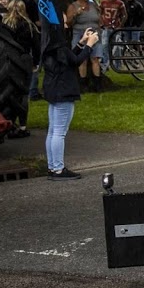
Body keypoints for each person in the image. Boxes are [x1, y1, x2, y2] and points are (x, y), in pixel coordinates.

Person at [42, 24, 100, 179]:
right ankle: (59, 169)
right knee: (59, 132)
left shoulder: (50, 45)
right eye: (64, 22)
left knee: (53, 130)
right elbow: (75, 62)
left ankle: (52, 167)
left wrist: (81, 43)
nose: (66, 25)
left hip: (53, 89)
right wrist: (89, 45)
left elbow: (69, 60)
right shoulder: (59, 45)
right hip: (64, 90)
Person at [1, 0, 40, 138]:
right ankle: (22, 125)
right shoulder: (29, 26)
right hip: (24, 60)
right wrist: (35, 63)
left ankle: (8, 121)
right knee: (23, 93)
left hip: (7, 60)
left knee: (7, 92)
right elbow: (36, 46)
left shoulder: (4, 26)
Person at [65, 0, 103, 91]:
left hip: (94, 33)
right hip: (80, 34)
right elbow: (68, 23)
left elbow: (99, 19)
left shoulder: (93, 5)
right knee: (82, 60)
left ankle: (97, 84)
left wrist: (100, 27)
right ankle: (83, 84)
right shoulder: (73, 6)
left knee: (95, 58)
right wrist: (75, 14)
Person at [99, 0, 127, 71]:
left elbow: (125, 15)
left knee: (117, 46)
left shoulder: (119, 3)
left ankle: (117, 64)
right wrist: (101, 23)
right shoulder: (103, 2)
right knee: (104, 45)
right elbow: (99, 13)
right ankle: (105, 64)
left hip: (116, 27)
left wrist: (120, 25)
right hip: (106, 27)